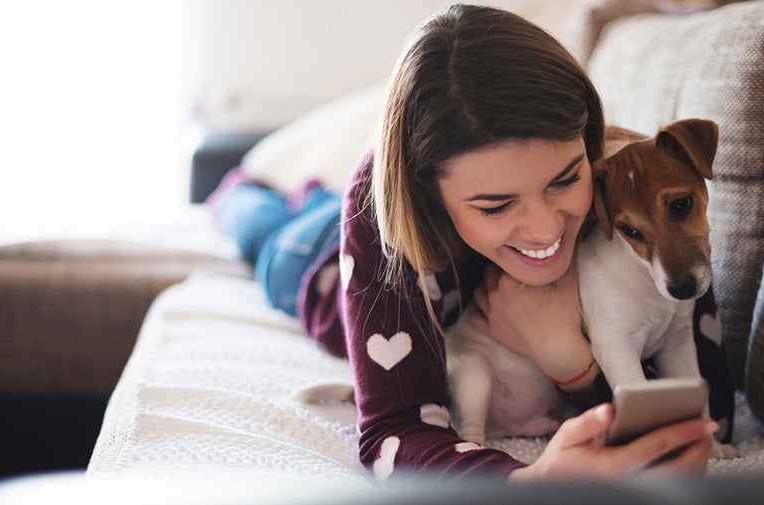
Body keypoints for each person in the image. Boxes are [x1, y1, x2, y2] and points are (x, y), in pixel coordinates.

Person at [214, 3, 734, 483]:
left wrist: (570, 363)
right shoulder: (380, 222)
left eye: (564, 180)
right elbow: (392, 432)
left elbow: (713, 411)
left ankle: (310, 199)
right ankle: (241, 193)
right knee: (264, 230)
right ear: (428, 191)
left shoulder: (634, 181)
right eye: (495, 205)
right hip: (320, 269)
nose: (544, 230)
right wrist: (526, 481)